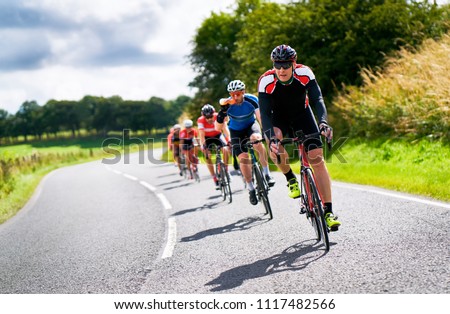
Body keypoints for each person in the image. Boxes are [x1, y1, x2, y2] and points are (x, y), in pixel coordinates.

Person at [257, 44, 341, 230]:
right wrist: (271, 138)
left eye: (286, 65)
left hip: (302, 114)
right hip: (278, 117)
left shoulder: (305, 73)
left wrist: (323, 122)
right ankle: (290, 178)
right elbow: (264, 114)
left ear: (293, 63)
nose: (281, 69)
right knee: (275, 144)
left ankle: (328, 212)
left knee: (317, 159)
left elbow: (317, 99)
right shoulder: (266, 80)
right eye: (277, 65)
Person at [215, 79, 275, 206]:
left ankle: (266, 173)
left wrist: (266, 133)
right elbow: (218, 127)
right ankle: (251, 188)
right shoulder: (228, 104)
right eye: (232, 94)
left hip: (251, 126)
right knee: (243, 158)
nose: (235, 97)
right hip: (235, 131)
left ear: (243, 92)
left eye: (238, 93)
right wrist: (222, 113)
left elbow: (260, 118)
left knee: (256, 139)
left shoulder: (251, 99)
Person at [197, 104, 231, 189]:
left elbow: (224, 129)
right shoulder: (200, 120)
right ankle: (214, 177)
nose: (209, 119)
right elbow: (201, 134)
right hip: (207, 138)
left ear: (214, 113)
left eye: (211, 116)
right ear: (203, 116)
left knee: (226, 150)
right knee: (207, 156)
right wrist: (203, 145)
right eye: (207, 117)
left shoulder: (218, 116)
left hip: (217, 135)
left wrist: (229, 139)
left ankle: (226, 169)